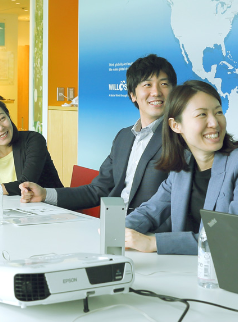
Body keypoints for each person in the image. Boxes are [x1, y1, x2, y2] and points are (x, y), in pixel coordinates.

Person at [124, 80, 238, 255]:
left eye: (218, 112)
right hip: (191, 264)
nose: (214, 123)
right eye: (202, 114)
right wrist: (119, 229)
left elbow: (232, 235)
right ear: (176, 125)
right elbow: (150, 212)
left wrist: (153, 243)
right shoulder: (182, 166)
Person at [20, 54, 176, 212]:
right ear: (133, 95)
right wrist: (45, 194)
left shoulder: (179, 138)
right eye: (147, 84)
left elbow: (175, 203)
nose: (156, 92)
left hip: (149, 226)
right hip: (114, 222)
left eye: (164, 84)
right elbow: (97, 190)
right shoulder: (124, 137)